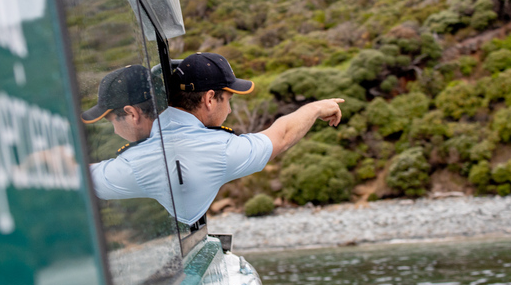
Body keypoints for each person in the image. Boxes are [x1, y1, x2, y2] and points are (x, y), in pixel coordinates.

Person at [84, 53, 343, 225]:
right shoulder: (218, 150)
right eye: (228, 100)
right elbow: (283, 135)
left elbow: (81, 179)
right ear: (209, 99)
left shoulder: (134, 162)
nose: (229, 110)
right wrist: (315, 108)